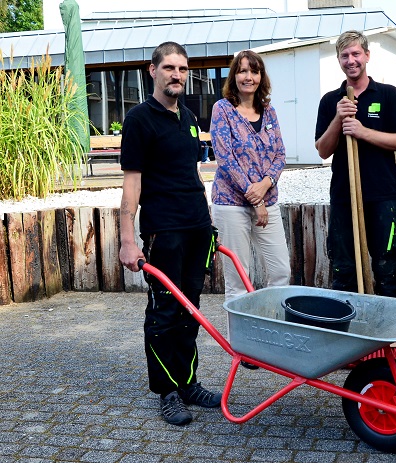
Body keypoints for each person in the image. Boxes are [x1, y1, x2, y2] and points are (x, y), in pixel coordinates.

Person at [119, 41, 221, 426]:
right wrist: (128, 240)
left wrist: (207, 221)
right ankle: (168, 392)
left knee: (190, 309)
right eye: (169, 68)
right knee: (164, 312)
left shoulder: (190, 118)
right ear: (153, 71)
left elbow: (191, 175)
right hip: (164, 231)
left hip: (196, 228)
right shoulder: (139, 119)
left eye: (182, 69)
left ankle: (189, 382)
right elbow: (131, 185)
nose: (176, 74)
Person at [315, 30, 396, 297]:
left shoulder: (389, 95)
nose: (351, 60)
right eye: (344, 55)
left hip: (383, 197)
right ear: (338, 60)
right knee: (344, 272)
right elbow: (323, 150)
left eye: (356, 53)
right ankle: (351, 335)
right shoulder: (330, 101)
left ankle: (390, 337)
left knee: (386, 270)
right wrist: (338, 118)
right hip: (345, 198)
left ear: (367, 56)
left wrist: (361, 131)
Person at [210, 50, 290, 300]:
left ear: (261, 77)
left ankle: (273, 331)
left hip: (268, 202)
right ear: (234, 76)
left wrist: (264, 187)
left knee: (281, 272)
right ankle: (240, 340)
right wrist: (256, 199)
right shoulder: (222, 109)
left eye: (254, 71)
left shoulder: (269, 111)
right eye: (242, 71)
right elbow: (226, 159)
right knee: (238, 282)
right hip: (232, 204)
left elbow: (280, 155)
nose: (248, 77)